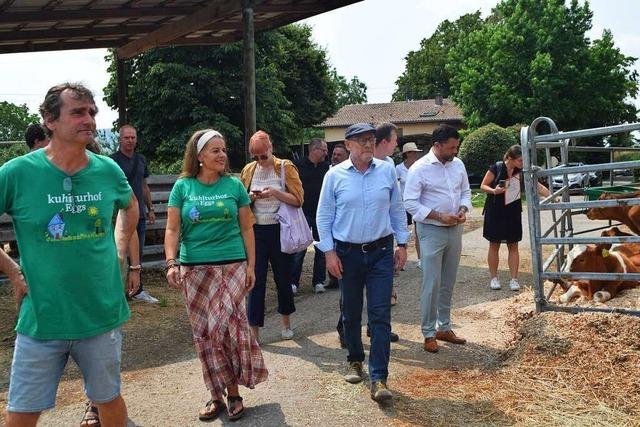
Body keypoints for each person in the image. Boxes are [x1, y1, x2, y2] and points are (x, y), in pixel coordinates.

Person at [0, 82, 139, 427]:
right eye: (78, 112)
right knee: (21, 411)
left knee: (108, 400)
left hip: (101, 313)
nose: (89, 119)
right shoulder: (16, 173)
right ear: (49, 119)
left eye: (92, 112)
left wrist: (120, 248)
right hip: (43, 318)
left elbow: (130, 206)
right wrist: (14, 272)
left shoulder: (107, 169)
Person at [164, 129, 267, 422]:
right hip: (194, 269)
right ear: (199, 157)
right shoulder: (183, 187)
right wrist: (171, 263)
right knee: (204, 334)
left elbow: (247, 228)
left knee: (224, 328)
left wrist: (251, 266)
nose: (222, 155)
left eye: (223, 150)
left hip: (232, 265)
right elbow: (172, 229)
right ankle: (215, 395)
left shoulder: (234, 186)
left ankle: (233, 392)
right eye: (215, 151)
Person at [316, 122, 409, 403]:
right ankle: (355, 359)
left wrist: (403, 244)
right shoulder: (334, 176)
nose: (369, 145)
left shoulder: (387, 170)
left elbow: (396, 208)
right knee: (351, 311)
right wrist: (329, 253)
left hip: (381, 251)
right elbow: (324, 217)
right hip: (347, 254)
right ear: (348, 145)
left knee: (381, 314)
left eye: (371, 140)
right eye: (362, 141)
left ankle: (379, 377)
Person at [404, 124, 471, 354]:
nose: (455, 151)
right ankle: (428, 333)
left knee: (448, 281)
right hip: (431, 231)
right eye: (452, 147)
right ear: (437, 146)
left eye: (457, 147)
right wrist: (440, 216)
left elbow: (465, 191)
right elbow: (410, 202)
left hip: (455, 229)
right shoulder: (419, 169)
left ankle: (444, 326)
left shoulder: (458, 164)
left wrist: (462, 209)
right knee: (431, 283)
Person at [240, 130, 303, 341]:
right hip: (256, 230)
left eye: (263, 155)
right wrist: (250, 197)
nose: (259, 160)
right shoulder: (248, 170)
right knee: (255, 279)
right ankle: (254, 331)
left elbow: (298, 199)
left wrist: (274, 193)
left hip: (280, 229)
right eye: (255, 156)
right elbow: (241, 202)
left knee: (282, 277)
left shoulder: (284, 167)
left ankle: (286, 322)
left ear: (270, 148)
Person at [480, 145, 549, 291]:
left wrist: (553, 197)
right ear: (510, 158)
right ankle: (494, 278)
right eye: (520, 160)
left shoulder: (522, 172)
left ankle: (514, 279)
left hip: (513, 211)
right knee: (494, 244)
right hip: (495, 211)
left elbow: (538, 186)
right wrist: (494, 191)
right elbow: (483, 185)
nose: (523, 162)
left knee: (513, 245)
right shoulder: (496, 167)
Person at [111, 125, 158, 303]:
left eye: (133, 137)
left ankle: (138, 290)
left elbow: (144, 186)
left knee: (139, 255)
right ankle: (119, 292)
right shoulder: (112, 161)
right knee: (119, 255)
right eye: (127, 138)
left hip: (140, 215)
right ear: (120, 139)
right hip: (120, 215)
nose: (130, 141)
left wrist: (151, 208)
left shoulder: (141, 160)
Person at [291, 138, 330, 294]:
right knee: (299, 249)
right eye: (324, 150)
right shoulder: (298, 166)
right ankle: (293, 283)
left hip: (321, 214)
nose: (327, 153)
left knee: (321, 249)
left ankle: (319, 281)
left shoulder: (327, 168)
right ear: (314, 150)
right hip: (302, 214)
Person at [396, 142, 423, 267]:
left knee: (419, 231)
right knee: (403, 231)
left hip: (417, 202)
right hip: (403, 203)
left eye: (416, 152)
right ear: (407, 154)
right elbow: (396, 187)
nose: (415, 154)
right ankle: (401, 259)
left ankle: (420, 259)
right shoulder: (398, 168)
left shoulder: (420, 167)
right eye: (412, 152)